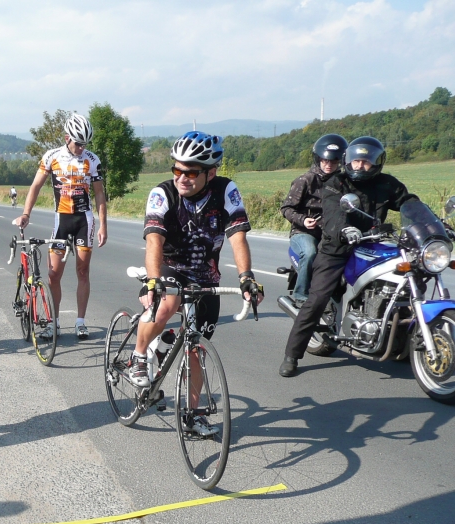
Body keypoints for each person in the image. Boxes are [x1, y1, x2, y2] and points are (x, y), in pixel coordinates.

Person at [127, 131, 264, 433]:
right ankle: (139, 355)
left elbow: (237, 235)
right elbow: (153, 241)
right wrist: (153, 280)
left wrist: (246, 277)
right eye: (177, 170)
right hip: (171, 265)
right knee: (168, 304)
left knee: (196, 349)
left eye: (190, 172)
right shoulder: (163, 193)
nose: (182, 177)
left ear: (210, 173)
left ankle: (193, 415)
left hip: (205, 275)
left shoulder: (225, 190)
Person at [279, 136, 418, 377]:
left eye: (366, 161)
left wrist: (431, 224)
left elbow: (408, 202)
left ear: (376, 162)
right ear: (348, 160)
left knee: (406, 280)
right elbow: (334, 213)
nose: (360, 165)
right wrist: (344, 229)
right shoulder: (337, 182)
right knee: (318, 298)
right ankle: (292, 355)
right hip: (337, 247)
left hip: (372, 243)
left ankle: (403, 342)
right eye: (356, 160)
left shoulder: (387, 183)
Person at [15, 113, 108, 340]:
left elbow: (99, 194)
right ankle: (54, 323)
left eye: (85, 144)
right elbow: (36, 186)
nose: (81, 148)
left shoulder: (92, 160)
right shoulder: (52, 157)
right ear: (67, 138)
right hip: (62, 221)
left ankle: (80, 322)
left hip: (84, 221)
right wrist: (26, 213)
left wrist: (103, 225)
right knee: (53, 275)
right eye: (78, 143)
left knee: (83, 272)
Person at [280, 134, 348, 306]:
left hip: (330, 233)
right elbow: (286, 208)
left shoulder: (343, 183)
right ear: (318, 159)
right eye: (325, 160)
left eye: (334, 161)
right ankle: (302, 296)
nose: (329, 164)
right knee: (310, 252)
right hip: (303, 232)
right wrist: (303, 220)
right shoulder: (305, 180)